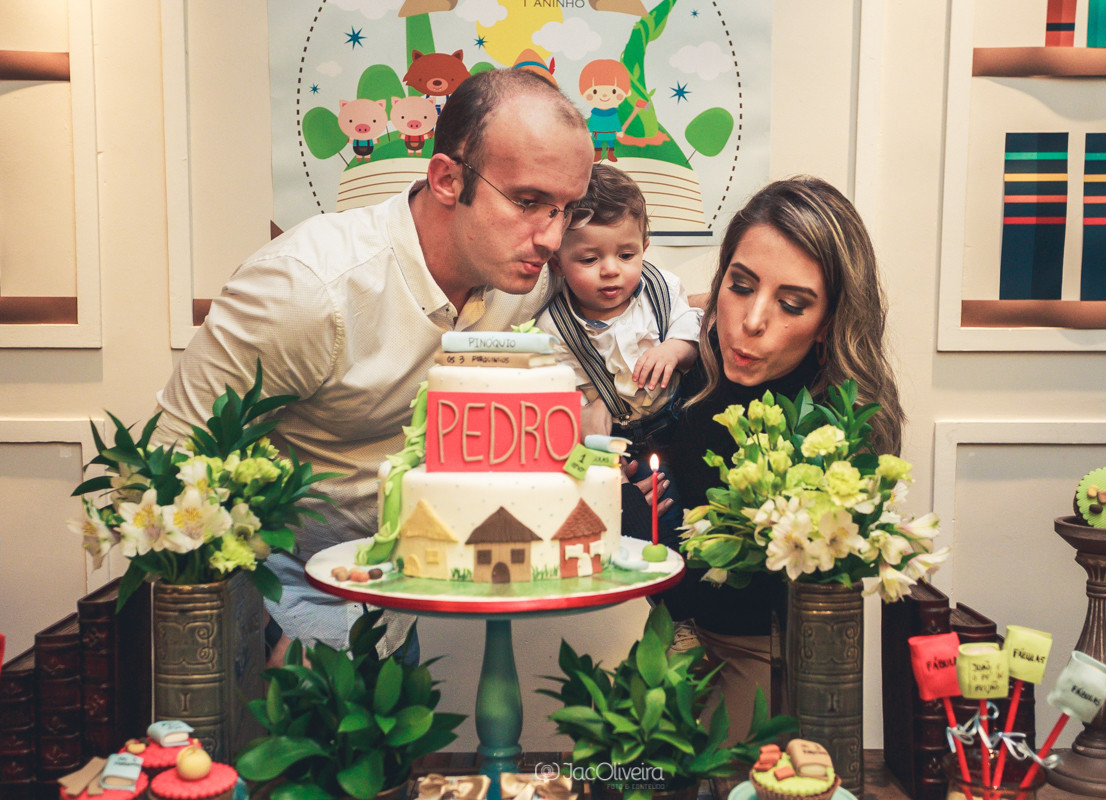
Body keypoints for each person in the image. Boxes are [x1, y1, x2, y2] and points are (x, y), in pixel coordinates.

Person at [152, 68, 596, 665]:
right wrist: (254, 631)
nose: (550, 238)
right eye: (527, 202)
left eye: (566, 209)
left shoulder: (522, 276)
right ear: (446, 178)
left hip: (409, 593)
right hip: (286, 602)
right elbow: (168, 464)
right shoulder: (306, 291)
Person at [653, 175, 905, 743]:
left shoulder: (839, 422)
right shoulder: (681, 363)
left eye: (792, 303)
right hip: (673, 642)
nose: (753, 320)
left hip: (776, 660)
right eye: (740, 286)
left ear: (831, 323)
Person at [536, 164, 700, 531]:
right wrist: (586, 415)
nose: (611, 270)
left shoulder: (662, 287)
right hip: (615, 441)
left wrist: (673, 349)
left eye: (626, 256)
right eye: (590, 259)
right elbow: (559, 394)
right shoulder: (554, 326)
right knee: (651, 513)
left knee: (698, 488)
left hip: (676, 419)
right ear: (557, 262)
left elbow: (692, 327)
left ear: (643, 246)